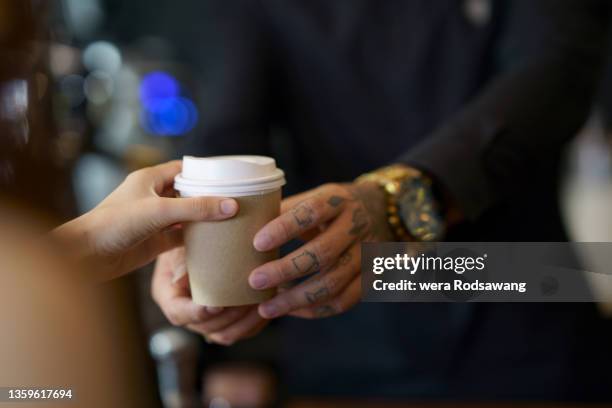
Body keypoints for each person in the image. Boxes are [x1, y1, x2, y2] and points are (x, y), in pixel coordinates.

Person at [152, 0, 612, 401]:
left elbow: (556, 69)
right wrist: (201, 258)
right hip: (347, 318)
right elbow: (228, 127)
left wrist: (397, 202)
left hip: (520, 288)